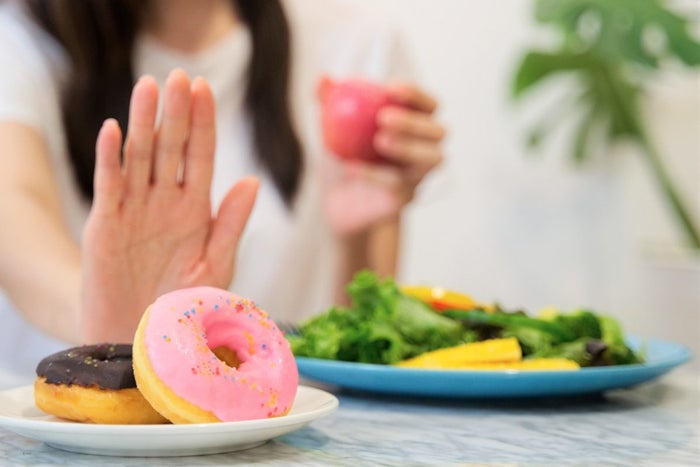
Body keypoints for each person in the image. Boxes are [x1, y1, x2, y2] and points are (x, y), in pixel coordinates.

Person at [0, 0, 444, 383]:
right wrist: (102, 315)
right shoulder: (19, 42)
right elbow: (16, 213)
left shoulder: (357, 47)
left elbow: (359, 345)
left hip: (277, 442)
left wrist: (355, 240)